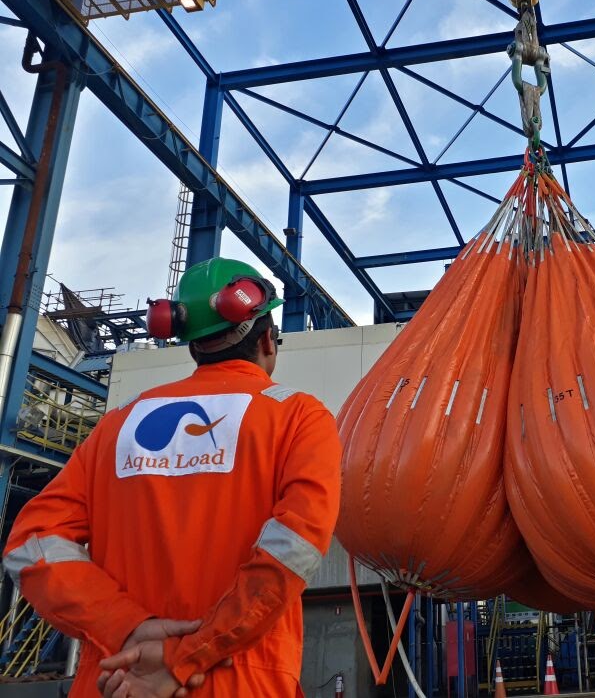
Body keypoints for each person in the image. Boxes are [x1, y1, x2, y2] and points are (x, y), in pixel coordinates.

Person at [3, 257, 342, 697]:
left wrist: (126, 627)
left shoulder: (117, 425)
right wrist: (191, 654)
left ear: (191, 345)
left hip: (117, 680)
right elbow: (290, 554)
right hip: (239, 681)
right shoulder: (299, 417)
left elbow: (29, 546)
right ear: (268, 341)